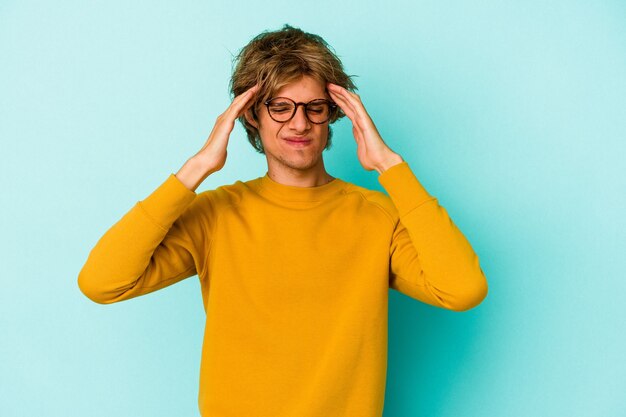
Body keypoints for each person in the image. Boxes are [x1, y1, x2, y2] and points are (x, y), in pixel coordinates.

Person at [78, 24, 488, 417]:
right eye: (280, 107)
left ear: (334, 113)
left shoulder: (377, 215)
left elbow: (463, 290)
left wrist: (389, 166)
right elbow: (102, 282)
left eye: (315, 108)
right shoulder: (217, 213)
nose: (299, 123)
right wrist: (196, 169)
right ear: (251, 115)